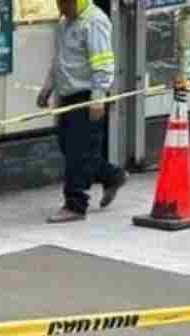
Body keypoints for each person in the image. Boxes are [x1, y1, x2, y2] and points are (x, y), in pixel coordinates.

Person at [37, 0, 127, 223]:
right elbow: (59, 61)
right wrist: (48, 88)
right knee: (68, 145)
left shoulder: (94, 21)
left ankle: (75, 205)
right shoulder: (65, 22)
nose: (60, 7)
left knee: (78, 151)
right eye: (58, 2)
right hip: (67, 95)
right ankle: (112, 175)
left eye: (64, 3)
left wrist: (98, 97)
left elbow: (104, 63)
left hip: (87, 96)